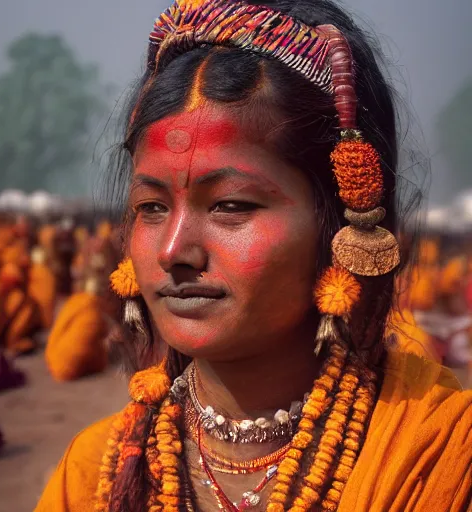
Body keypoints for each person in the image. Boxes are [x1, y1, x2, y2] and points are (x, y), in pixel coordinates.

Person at [36, 1, 472, 511]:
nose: (175, 249)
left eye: (231, 206)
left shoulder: (437, 459)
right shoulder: (93, 475)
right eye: (151, 207)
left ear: (343, 222)